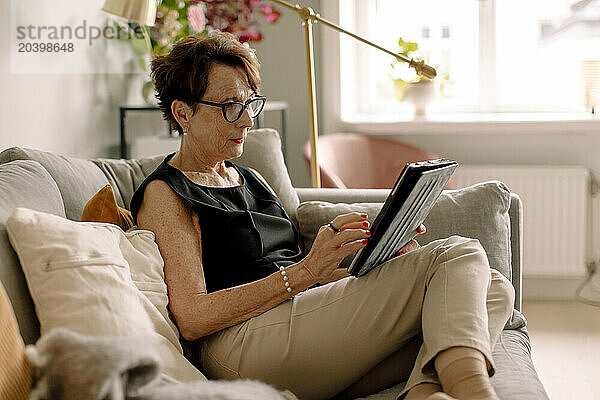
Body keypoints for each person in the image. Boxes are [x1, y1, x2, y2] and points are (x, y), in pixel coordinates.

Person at [130, 32, 515, 400]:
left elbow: (301, 277)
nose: (247, 120)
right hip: (237, 345)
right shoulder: (166, 193)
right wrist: (307, 272)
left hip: (298, 327)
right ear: (183, 113)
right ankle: (472, 390)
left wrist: (381, 265)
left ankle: (426, 392)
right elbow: (193, 315)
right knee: (458, 254)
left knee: (493, 286)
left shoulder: (250, 179)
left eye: (250, 104)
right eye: (231, 107)